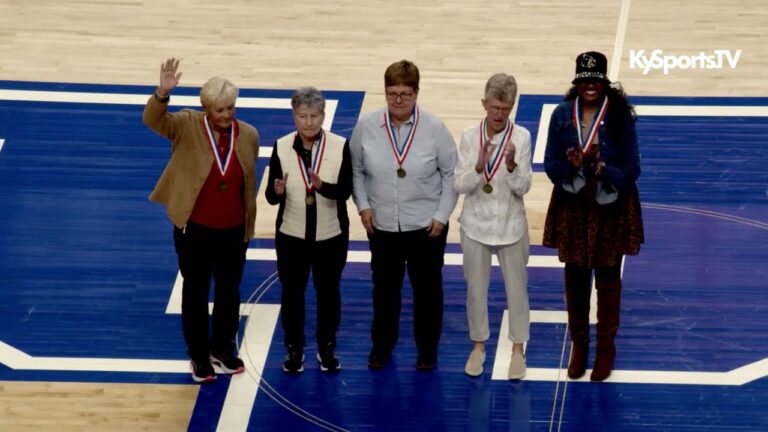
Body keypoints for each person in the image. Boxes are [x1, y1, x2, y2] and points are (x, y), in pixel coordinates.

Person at [143, 58, 260, 383]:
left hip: (234, 231)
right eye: (219, 109)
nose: (226, 115)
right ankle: (198, 354)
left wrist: (247, 226)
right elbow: (153, 120)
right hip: (194, 230)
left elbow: (246, 180)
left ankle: (222, 347)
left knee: (229, 292)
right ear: (206, 108)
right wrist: (162, 94)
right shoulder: (186, 125)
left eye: (230, 108)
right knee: (195, 291)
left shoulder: (249, 134)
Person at [350, 59, 459, 371]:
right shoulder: (366, 127)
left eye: (405, 94)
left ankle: (427, 350)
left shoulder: (435, 129)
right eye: (392, 93)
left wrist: (441, 216)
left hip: (426, 227)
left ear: (416, 93)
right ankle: (382, 346)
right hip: (382, 225)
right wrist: (363, 205)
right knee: (385, 292)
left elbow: (451, 174)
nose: (398, 100)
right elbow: (356, 170)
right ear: (385, 92)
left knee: (428, 293)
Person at [543, 51, 644, 382]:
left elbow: (633, 169)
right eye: (584, 80)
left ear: (604, 83)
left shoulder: (620, 116)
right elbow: (550, 164)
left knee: (608, 280)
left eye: (595, 80)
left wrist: (606, 170)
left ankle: (605, 349)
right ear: (577, 83)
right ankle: (580, 346)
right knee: (575, 280)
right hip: (573, 207)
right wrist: (570, 166)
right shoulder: (561, 115)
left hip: (610, 209)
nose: (590, 85)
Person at [265, 86, 352, 373]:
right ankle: (294, 347)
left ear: (323, 116)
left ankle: (326, 347)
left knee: (328, 293)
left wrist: (321, 186)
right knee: (292, 293)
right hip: (292, 236)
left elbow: (345, 191)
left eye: (314, 116)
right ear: (294, 116)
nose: (309, 122)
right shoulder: (281, 146)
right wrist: (277, 191)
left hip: (331, 235)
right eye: (302, 116)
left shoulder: (340, 145)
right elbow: (270, 197)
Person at [454, 73, 532, 380]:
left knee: (517, 291)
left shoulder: (521, 137)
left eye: (506, 108)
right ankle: (478, 346)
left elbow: (524, 187)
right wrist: (478, 167)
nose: (499, 114)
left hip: (512, 226)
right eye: (495, 107)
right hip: (475, 225)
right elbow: (460, 184)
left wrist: (511, 166)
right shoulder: (468, 136)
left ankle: (518, 349)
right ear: (484, 103)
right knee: (476, 291)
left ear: (512, 107)